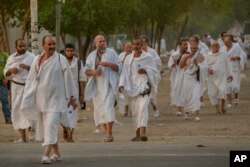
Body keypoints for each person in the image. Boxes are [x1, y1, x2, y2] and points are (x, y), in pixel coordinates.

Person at [20, 35, 77, 164]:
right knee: (47, 127)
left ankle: (45, 154)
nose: (52, 46)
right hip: (42, 100)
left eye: (53, 44)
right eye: (49, 44)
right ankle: (57, 154)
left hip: (57, 100)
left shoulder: (60, 59)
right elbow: (31, 79)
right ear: (43, 45)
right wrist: (28, 96)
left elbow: (68, 78)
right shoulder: (37, 59)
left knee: (51, 125)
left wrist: (72, 97)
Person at [119, 37, 159, 141]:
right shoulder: (128, 58)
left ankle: (143, 132)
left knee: (143, 108)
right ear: (131, 45)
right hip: (132, 87)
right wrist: (121, 84)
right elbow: (124, 72)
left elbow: (155, 72)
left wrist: (146, 71)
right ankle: (137, 134)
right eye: (134, 44)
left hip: (144, 86)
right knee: (135, 111)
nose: (136, 46)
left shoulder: (148, 57)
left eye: (138, 44)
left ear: (142, 45)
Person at [84, 35, 121, 142]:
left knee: (109, 108)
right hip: (97, 87)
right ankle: (107, 134)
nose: (103, 43)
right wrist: (94, 72)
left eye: (104, 41)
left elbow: (119, 67)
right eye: (100, 41)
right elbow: (86, 71)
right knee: (100, 112)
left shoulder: (112, 53)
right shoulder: (91, 56)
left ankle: (109, 134)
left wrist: (109, 64)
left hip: (109, 85)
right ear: (96, 43)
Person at [4, 39, 35, 143]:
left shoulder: (31, 57)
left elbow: (38, 70)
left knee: (28, 109)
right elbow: (6, 73)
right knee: (17, 110)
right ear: (16, 46)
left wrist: (27, 67)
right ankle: (22, 137)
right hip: (16, 87)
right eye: (20, 46)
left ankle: (32, 130)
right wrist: (10, 70)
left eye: (24, 46)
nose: (23, 48)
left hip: (28, 87)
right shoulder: (11, 58)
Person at [60, 43, 86, 142]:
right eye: (68, 51)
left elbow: (82, 79)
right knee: (62, 113)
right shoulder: (60, 62)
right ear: (65, 51)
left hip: (74, 93)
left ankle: (71, 135)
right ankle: (65, 128)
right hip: (62, 93)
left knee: (73, 114)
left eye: (71, 51)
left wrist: (82, 94)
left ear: (74, 51)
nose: (70, 52)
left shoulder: (78, 63)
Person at [179, 43, 205, 121]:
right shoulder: (185, 56)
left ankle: (197, 115)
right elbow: (181, 66)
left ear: (197, 48)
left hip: (195, 79)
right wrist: (184, 58)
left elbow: (204, 67)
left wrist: (197, 64)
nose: (193, 50)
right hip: (187, 78)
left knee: (196, 96)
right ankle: (187, 113)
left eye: (195, 48)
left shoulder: (201, 57)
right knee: (187, 96)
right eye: (192, 48)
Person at [207, 41, 232, 114]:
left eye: (217, 45)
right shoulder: (208, 55)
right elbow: (205, 65)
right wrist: (208, 70)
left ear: (219, 46)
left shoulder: (224, 54)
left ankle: (222, 107)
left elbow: (228, 64)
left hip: (222, 77)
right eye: (213, 45)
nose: (215, 47)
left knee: (223, 92)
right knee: (213, 93)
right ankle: (217, 108)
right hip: (212, 78)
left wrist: (230, 74)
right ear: (211, 47)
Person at [221, 34, 246, 107]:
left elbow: (243, 54)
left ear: (231, 40)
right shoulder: (222, 48)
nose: (225, 42)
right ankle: (229, 102)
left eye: (227, 41)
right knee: (227, 86)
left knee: (235, 86)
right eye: (224, 41)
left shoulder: (236, 46)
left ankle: (236, 97)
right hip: (226, 69)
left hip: (235, 68)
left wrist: (238, 57)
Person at [140, 35, 162, 117]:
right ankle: (141, 111)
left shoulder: (152, 52)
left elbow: (158, 63)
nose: (142, 44)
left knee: (151, 93)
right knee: (141, 93)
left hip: (151, 76)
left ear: (147, 43)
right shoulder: (137, 52)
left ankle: (154, 107)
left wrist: (148, 69)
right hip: (140, 77)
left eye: (144, 42)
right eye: (141, 42)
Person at [168, 38, 189, 116]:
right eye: (184, 45)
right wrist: (173, 64)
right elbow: (169, 65)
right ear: (179, 46)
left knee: (186, 91)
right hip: (178, 75)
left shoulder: (189, 53)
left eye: (187, 44)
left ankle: (187, 109)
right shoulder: (174, 54)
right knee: (178, 91)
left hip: (187, 75)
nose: (186, 46)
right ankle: (179, 109)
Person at [118, 41, 133, 117]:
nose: (128, 49)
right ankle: (126, 108)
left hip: (132, 78)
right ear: (124, 48)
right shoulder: (121, 55)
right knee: (124, 95)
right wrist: (124, 58)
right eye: (127, 47)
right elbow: (118, 65)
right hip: (123, 78)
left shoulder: (135, 55)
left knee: (132, 94)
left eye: (130, 47)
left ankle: (133, 109)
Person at [0, 50, 12, 124]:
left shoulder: (5, 55)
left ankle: (8, 118)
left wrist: (6, 78)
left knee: (4, 100)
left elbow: (9, 67)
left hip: (2, 81)